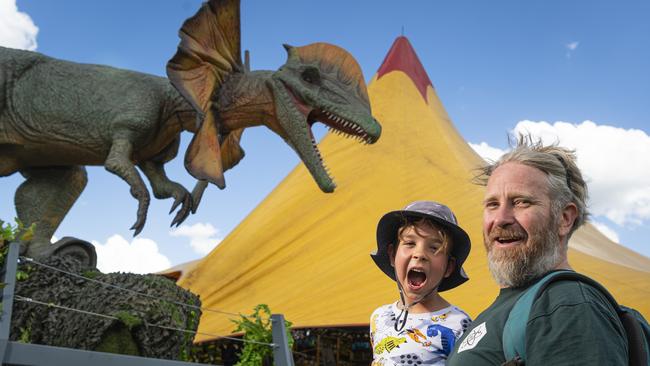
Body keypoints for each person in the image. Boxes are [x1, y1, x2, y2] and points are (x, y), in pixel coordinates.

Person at [447, 135, 628, 365]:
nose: (500, 219)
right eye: (492, 204)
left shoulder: (566, 303)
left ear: (564, 218)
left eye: (521, 202)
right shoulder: (505, 310)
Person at [369, 200, 472, 365]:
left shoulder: (460, 324)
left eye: (434, 248)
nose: (420, 254)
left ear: (449, 267)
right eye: (410, 243)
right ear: (392, 255)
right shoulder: (379, 317)